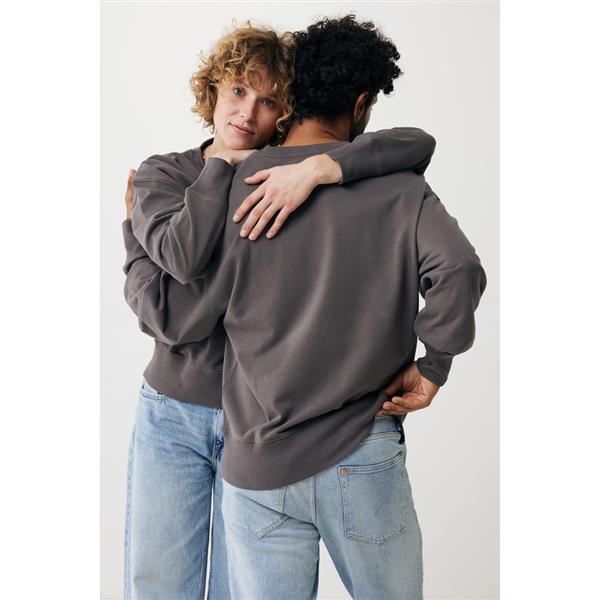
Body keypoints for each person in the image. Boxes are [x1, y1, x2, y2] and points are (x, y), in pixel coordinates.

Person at [123, 14, 487, 599]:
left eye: (267, 100)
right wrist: (434, 364)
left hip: (260, 451)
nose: (247, 112)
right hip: (335, 437)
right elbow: (459, 269)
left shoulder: (246, 186)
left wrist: (320, 167)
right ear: (363, 103)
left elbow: (183, 314)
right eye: (238, 91)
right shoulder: (400, 186)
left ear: (289, 105)